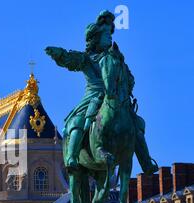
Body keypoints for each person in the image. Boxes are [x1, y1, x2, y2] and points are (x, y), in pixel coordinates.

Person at [45, 10, 158, 175]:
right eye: (106, 34)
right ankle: (72, 157)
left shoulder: (116, 59)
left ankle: (146, 161)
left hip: (116, 98)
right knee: (77, 122)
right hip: (93, 96)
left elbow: (130, 79)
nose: (110, 37)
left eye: (110, 34)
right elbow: (70, 59)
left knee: (136, 124)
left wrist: (125, 89)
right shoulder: (87, 59)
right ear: (96, 38)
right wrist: (59, 54)